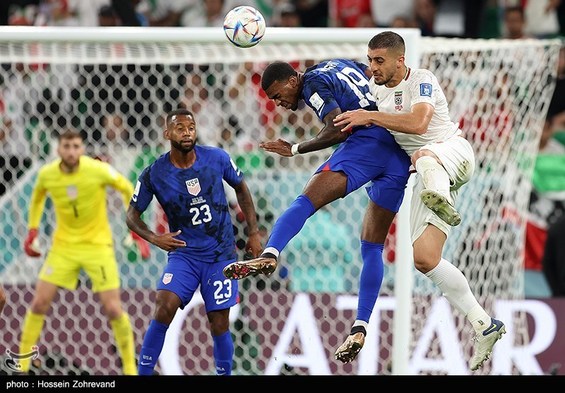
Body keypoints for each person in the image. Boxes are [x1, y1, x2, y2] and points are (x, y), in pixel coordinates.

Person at [333, 30, 506, 371]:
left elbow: (419, 121)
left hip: (453, 153)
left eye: (379, 60)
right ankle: (484, 323)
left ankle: (440, 196)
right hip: (429, 177)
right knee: (425, 259)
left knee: (424, 154)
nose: (373, 67)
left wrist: (371, 116)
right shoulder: (373, 93)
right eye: (369, 60)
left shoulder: (421, 79)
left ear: (400, 59)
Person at [222, 59, 412, 363]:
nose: (279, 103)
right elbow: (366, 72)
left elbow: (338, 128)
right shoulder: (336, 64)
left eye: (277, 94)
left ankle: (270, 253)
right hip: (397, 152)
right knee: (371, 246)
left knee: (304, 202)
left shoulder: (311, 83)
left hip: (366, 145)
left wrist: (296, 148)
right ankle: (360, 326)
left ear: (291, 80)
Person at [127, 108, 262, 376]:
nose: (187, 132)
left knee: (219, 322)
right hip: (184, 256)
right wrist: (154, 237)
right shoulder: (155, 173)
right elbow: (132, 215)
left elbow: (241, 188)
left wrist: (253, 232)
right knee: (164, 307)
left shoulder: (217, 158)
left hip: (221, 255)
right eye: (179, 127)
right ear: (167, 134)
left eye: (191, 127)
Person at [20, 129, 146, 375]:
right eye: (66, 146)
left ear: (82, 148)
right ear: (58, 149)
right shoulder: (48, 175)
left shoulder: (96, 170)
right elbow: (37, 198)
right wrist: (32, 231)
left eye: (76, 146)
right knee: (39, 302)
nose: (71, 151)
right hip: (63, 247)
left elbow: (125, 186)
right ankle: (22, 367)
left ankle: (130, 369)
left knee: (112, 308)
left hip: (97, 246)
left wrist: (134, 228)